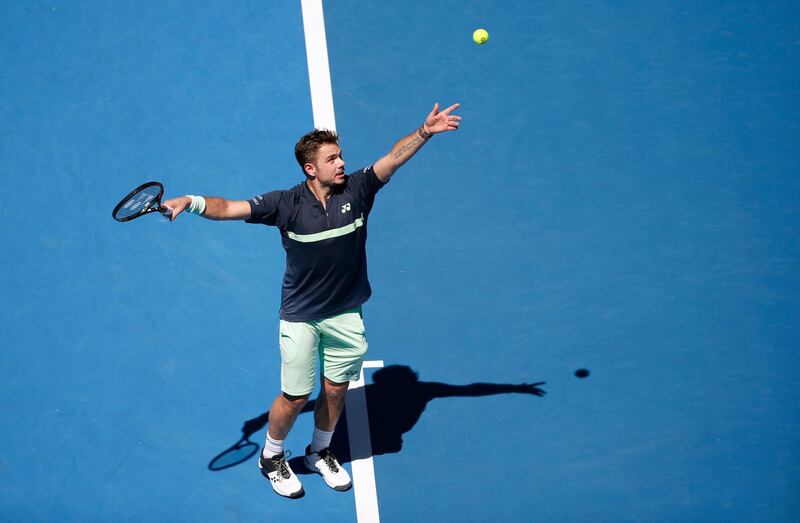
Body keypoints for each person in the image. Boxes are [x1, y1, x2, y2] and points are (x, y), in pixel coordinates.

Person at [162, 102, 461, 498]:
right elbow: (230, 208)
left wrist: (424, 132)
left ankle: (320, 451)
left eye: (340, 156)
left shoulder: (359, 188)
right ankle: (271, 457)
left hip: (346, 314)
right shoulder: (284, 205)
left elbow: (393, 158)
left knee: (336, 390)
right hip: (301, 318)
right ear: (310, 169)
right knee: (295, 395)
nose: (342, 163)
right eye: (332, 159)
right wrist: (192, 200)